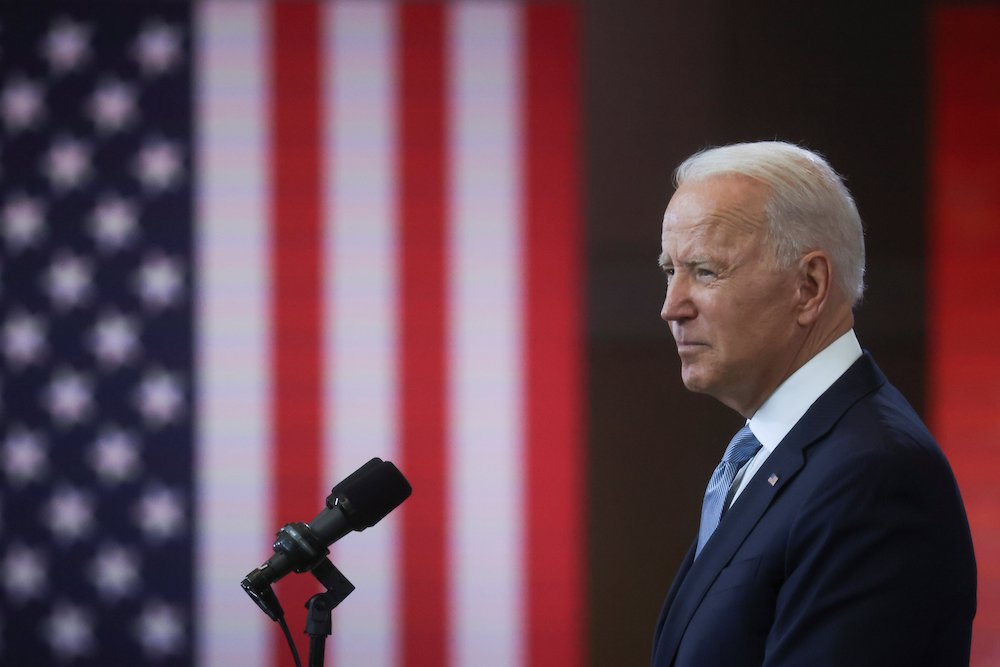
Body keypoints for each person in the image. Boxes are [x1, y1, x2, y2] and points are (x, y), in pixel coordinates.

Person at [650, 141, 976, 666]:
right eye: (671, 270)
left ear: (809, 285)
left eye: (705, 271)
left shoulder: (877, 476)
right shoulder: (783, 454)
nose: (671, 307)